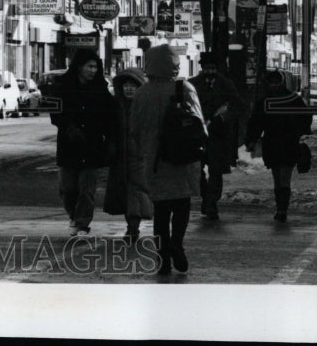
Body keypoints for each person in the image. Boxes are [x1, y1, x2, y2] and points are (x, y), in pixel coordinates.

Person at [132, 44, 206, 276]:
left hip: (155, 160)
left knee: (161, 210)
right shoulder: (184, 88)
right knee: (182, 205)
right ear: (175, 64)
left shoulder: (142, 93)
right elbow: (199, 125)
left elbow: (134, 128)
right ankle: (178, 243)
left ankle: (162, 256)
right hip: (183, 158)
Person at [49, 47, 117, 237]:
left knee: (87, 190)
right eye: (89, 66)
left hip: (92, 146)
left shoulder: (100, 89)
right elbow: (55, 113)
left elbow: (110, 116)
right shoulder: (63, 87)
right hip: (69, 146)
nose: (93, 70)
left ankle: (82, 223)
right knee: (68, 188)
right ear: (79, 67)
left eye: (95, 67)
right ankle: (73, 216)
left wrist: (109, 139)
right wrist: (69, 127)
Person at [244, 69, 313, 223]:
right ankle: (281, 208)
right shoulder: (292, 99)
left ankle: (281, 209)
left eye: (276, 82)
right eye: (272, 82)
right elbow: (306, 116)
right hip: (283, 143)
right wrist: (300, 131)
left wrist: (251, 139)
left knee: (281, 177)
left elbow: (256, 122)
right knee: (280, 177)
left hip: (278, 143)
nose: (274, 85)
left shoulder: (265, 101)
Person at [189, 53, 246, 220]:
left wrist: (222, 117)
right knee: (196, 170)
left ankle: (212, 202)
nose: (210, 71)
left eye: (213, 68)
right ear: (202, 68)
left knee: (216, 171)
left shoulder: (226, 84)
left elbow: (239, 106)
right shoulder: (192, 84)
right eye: (207, 68)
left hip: (218, 134)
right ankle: (206, 197)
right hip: (197, 134)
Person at [103, 66, 153, 244]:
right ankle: (132, 225)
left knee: (135, 190)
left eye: (133, 85)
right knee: (125, 191)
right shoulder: (116, 107)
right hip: (120, 157)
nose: (129, 88)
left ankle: (133, 227)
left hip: (140, 156)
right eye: (126, 85)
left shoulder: (146, 107)